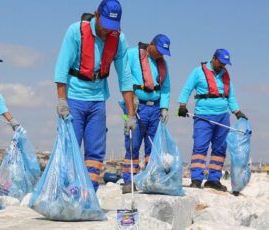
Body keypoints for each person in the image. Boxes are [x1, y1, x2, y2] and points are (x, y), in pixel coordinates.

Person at [54, 0, 136, 191]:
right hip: (74, 97)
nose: (108, 31)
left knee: (96, 151)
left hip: (98, 99)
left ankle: (88, 193)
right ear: (96, 15)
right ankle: (66, 192)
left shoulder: (118, 40)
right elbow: (61, 67)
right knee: (69, 147)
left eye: (112, 27)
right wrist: (61, 100)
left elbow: (125, 77)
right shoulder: (76, 31)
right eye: (105, 25)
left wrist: (130, 113)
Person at [178, 48, 248, 192]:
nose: (223, 66)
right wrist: (182, 105)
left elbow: (231, 96)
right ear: (214, 58)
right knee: (200, 147)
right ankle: (196, 179)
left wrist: (237, 112)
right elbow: (187, 89)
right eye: (221, 63)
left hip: (222, 116)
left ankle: (213, 180)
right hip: (203, 116)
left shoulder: (225, 75)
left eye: (225, 64)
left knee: (220, 148)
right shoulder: (198, 72)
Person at [120, 34, 171, 193]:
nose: (160, 55)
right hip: (137, 107)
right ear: (151, 44)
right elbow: (123, 76)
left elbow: (166, 88)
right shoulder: (132, 54)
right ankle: (130, 181)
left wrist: (164, 107)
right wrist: (130, 100)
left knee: (153, 147)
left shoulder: (163, 64)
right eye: (159, 50)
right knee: (132, 145)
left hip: (154, 109)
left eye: (163, 52)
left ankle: (150, 179)